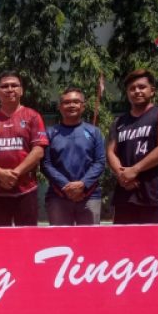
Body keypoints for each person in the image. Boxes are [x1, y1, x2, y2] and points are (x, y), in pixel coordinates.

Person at [107, 69, 158, 224]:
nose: (137, 91)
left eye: (141, 87)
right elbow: (111, 152)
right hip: (124, 193)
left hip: (154, 193)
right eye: (132, 88)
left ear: (152, 91)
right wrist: (122, 175)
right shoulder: (119, 122)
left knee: (156, 244)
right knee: (123, 244)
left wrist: (135, 170)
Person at [0, 72, 48, 226]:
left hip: (26, 189)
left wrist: (15, 174)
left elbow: (38, 150)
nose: (9, 89)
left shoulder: (33, 116)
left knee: (27, 240)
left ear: (21, 90)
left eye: (14, 85)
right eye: (4, 86)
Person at [42, 87, 105, 225]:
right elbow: (46, 164)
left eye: (76, 102)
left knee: (91, 242)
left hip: (89, 196)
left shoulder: (94, 132)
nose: (71, 105)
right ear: (59, 107)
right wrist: (66, 186)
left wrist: (82, 184)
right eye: (67, 102)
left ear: (83, 106)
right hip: (58, 196)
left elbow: (100, 162)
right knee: (60, 242)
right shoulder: (50, 133)